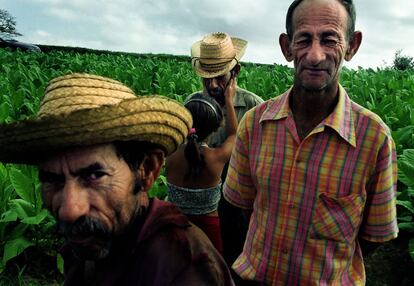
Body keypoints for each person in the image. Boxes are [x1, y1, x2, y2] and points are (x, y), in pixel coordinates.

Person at [0, 73, 235, 286]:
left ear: (147, 170)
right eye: (52, 180)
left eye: (94, 175)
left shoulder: (183, 268)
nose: (69, 210)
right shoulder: (87, 242)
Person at [223, 0, 399, 285]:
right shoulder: (255, 125)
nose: (315, 55)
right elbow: (242, 206)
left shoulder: (374, 139)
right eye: (304, 39)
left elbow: (373, 236)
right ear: (286, 47)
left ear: (352, 46)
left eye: (330, 39)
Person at [189, 31, 264, 267]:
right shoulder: (192, 104)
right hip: (202, 202)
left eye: (219, 77)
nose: (212, 85)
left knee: (236, 259)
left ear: (235, 73)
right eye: (206, 78)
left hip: (240, 204)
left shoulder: (255, 107)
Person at [165, 78, 237, 254]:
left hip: (175, 225)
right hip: (209, 230)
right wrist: (229, 100)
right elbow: (234, 134)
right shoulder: (217, 158)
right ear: (216, 128)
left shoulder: (170, 153)